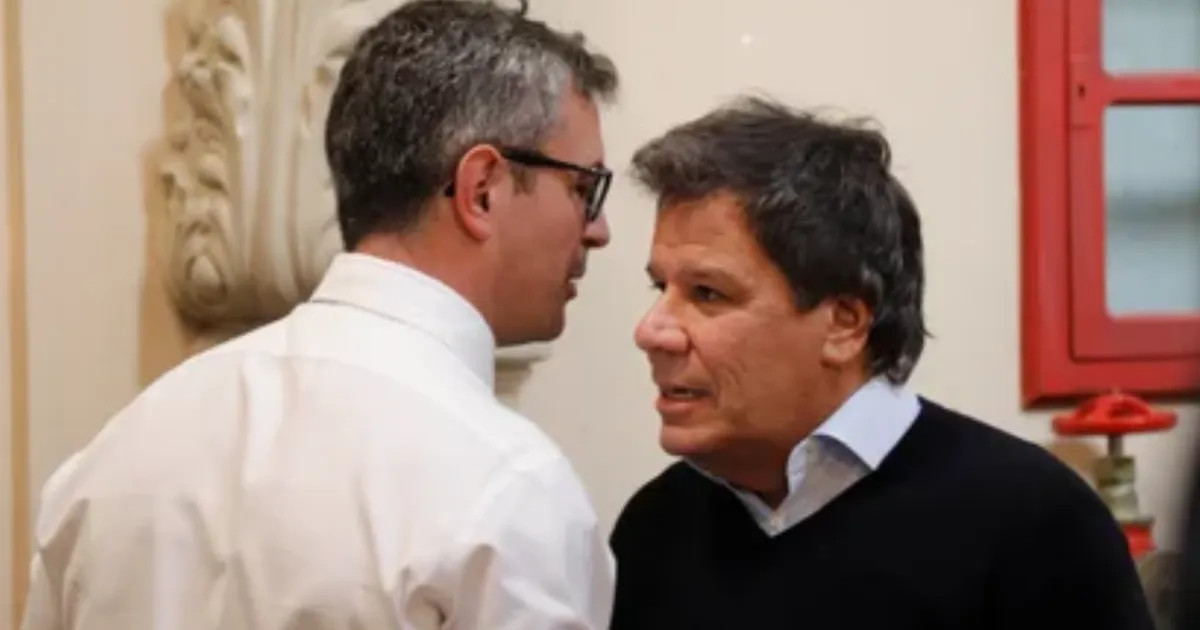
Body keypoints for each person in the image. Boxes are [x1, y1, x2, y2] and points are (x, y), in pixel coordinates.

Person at [20, 2, 619, 629]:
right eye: (584, 188)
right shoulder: (508, 489)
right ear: (482, 189)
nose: (598, 230)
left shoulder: (119, 451)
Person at [609, 96, 1155, 629]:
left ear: (844, 324)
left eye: (707, 293)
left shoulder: (1034, 522)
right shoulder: (655, 528)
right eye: (660, 288)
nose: (651, 331)